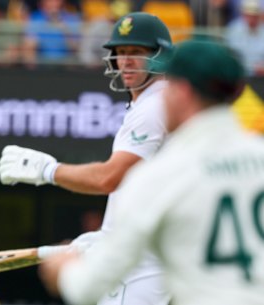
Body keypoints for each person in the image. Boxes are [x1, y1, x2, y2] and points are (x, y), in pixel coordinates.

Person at [39, 37, 264, 305]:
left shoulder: (159, 175)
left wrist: (64, 266)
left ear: (182, 92)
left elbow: (86, 288)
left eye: (167, 85)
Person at [0, 12, 172, 305]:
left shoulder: (153, 107)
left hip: (145, 260)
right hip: (144, 250)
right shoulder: (151, 103)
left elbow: (108, 178)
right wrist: (107, 234)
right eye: (121, 53)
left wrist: (48, 171)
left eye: (137, 53)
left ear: (159, 55)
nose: (126, 61)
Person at [225, 0, 264, 76]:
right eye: (249, 15)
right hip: (239, 75)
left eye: (254, 15)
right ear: (243, 14)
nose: (252, 18)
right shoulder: (233, 30)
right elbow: (231, 55)